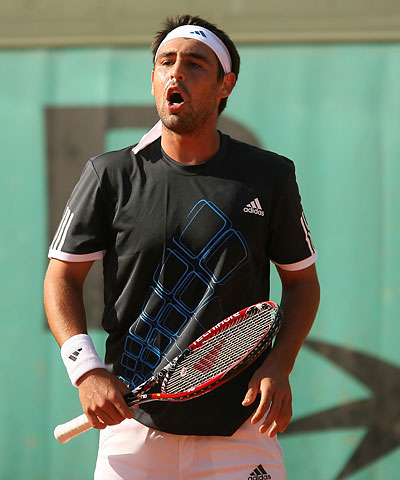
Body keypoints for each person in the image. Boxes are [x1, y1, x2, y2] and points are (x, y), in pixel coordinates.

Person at [44, 14, 320, 480]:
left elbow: (302, 284)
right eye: (166, 62)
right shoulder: (109, 175)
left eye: (194, 64)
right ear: (153, 79)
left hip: (242, 429)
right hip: (133, 433)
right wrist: (86, 370)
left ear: (225, 84)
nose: (176, 73)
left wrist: (280, 363)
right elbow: (61, 278)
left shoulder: (269, 175)